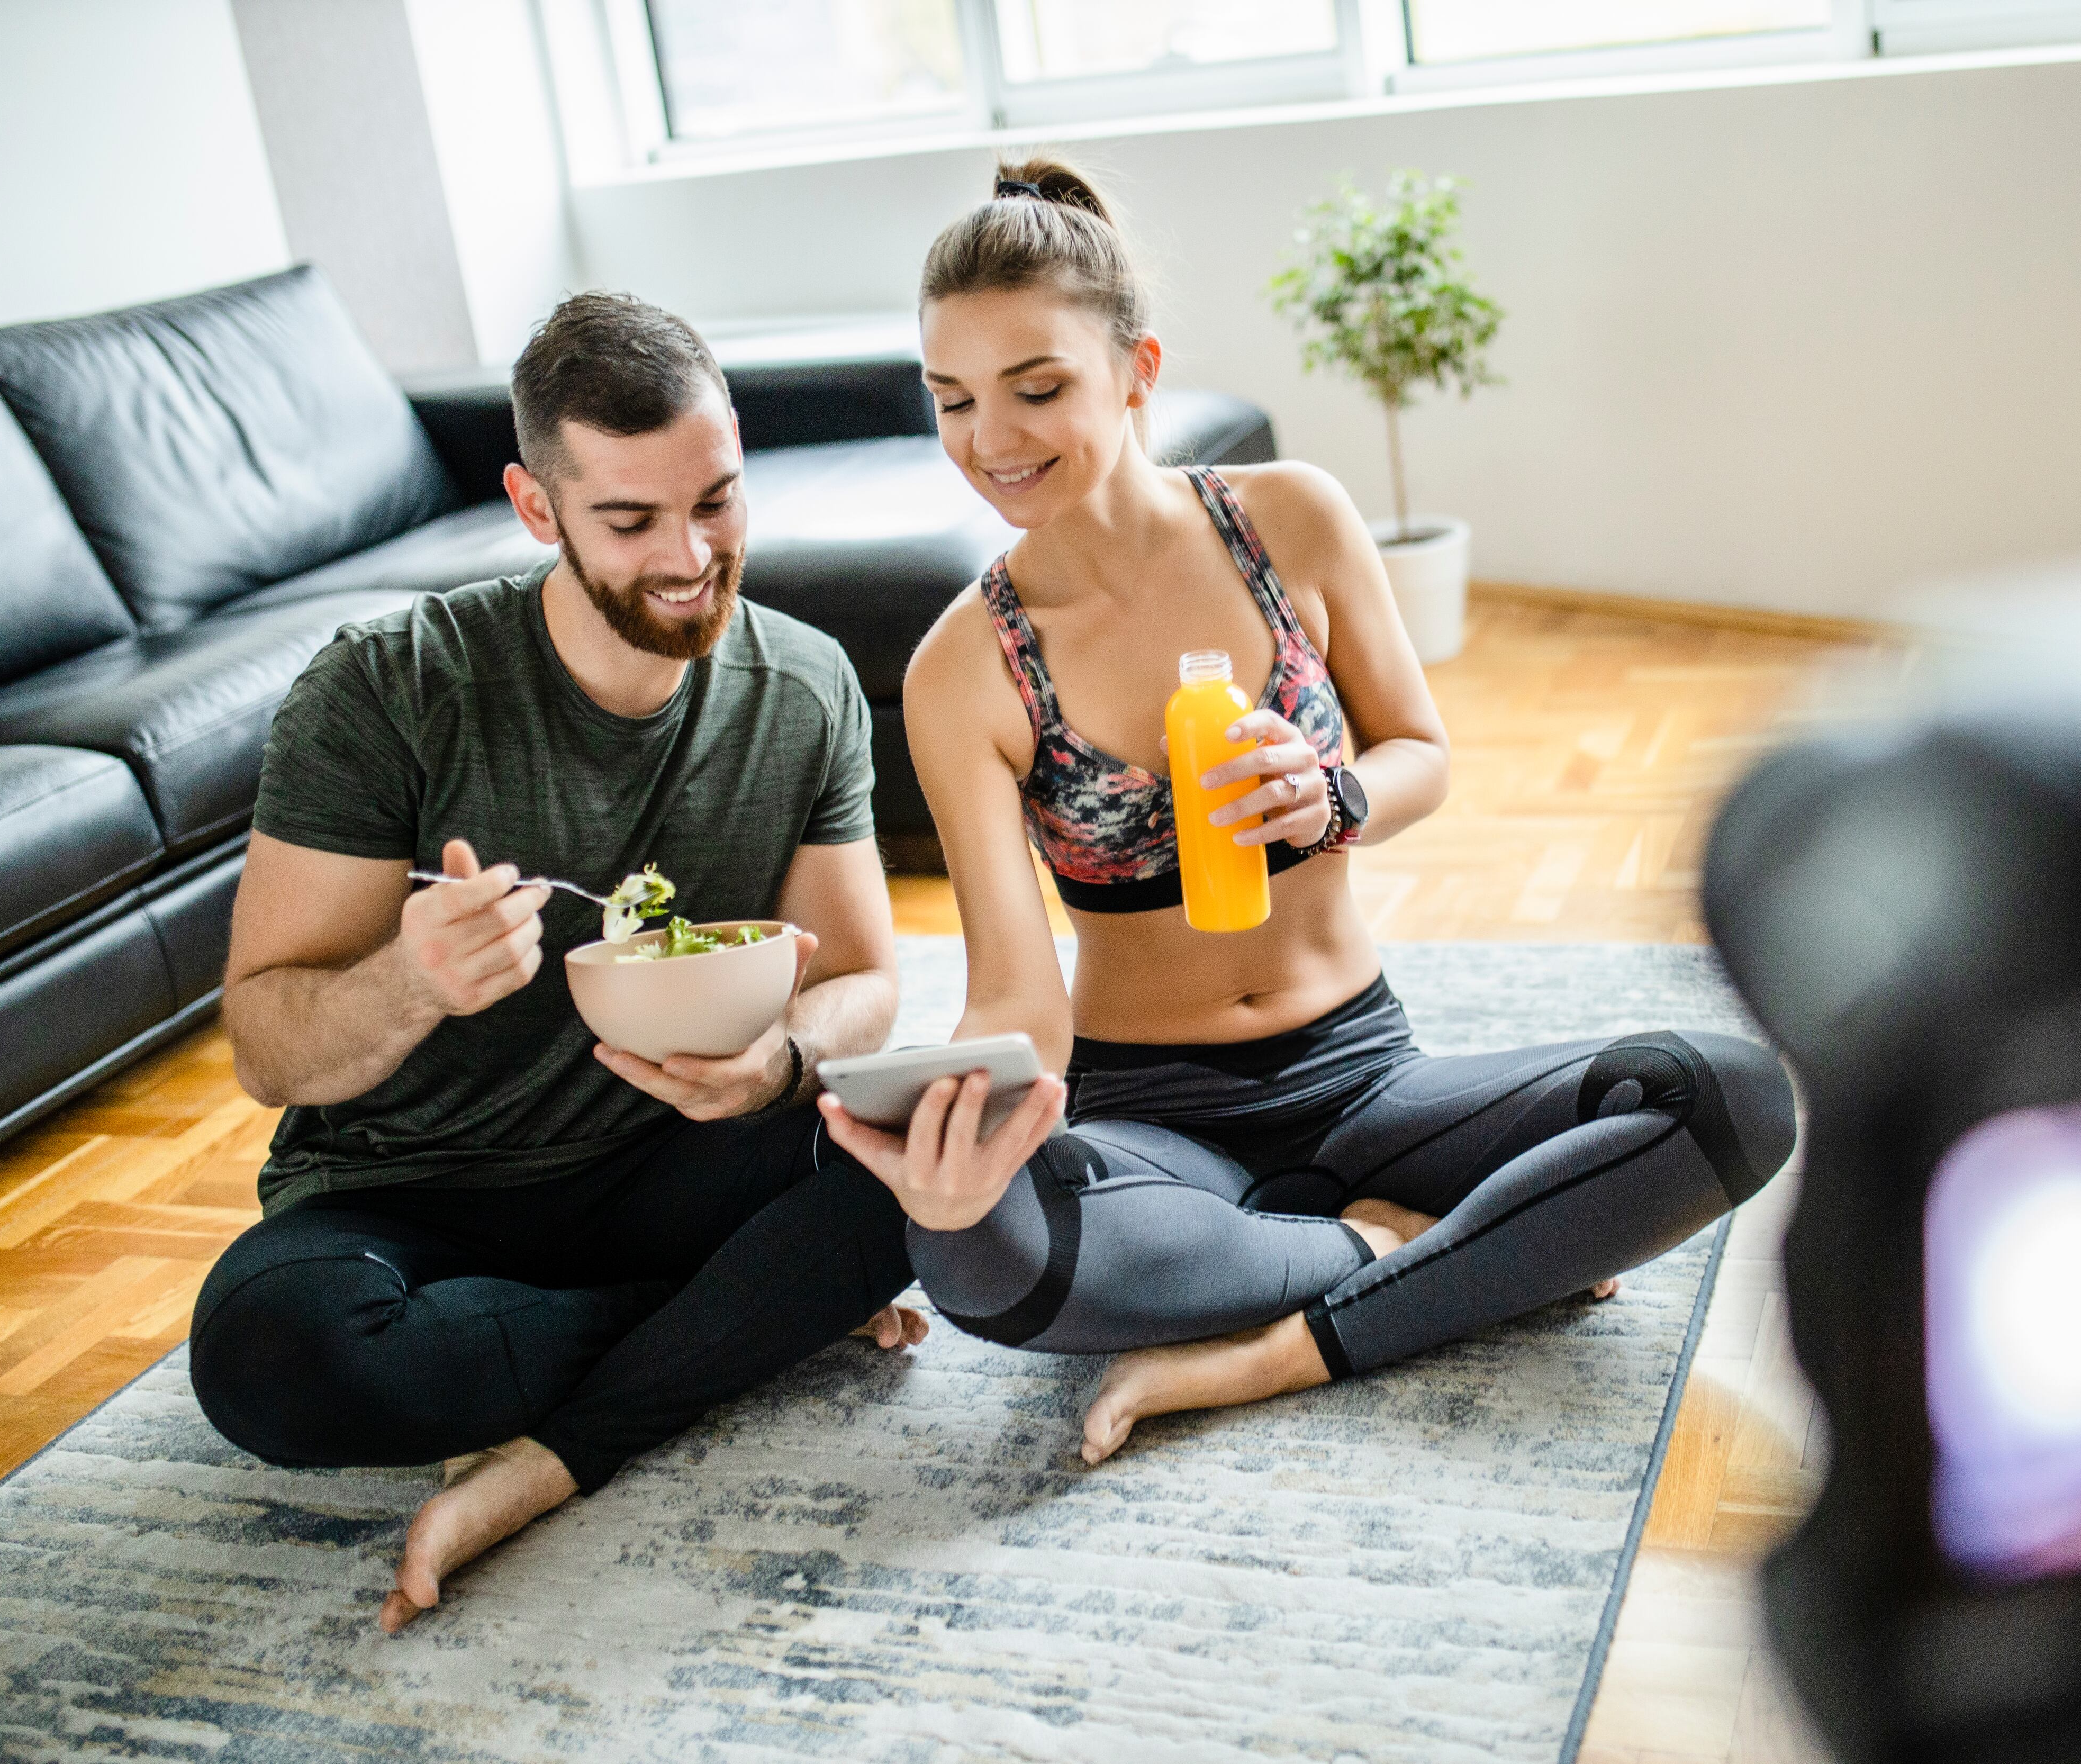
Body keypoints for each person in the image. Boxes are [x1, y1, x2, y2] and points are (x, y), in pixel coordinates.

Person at [816, 161, 1799, 1466]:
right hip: (1153, 1115)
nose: (990, 440)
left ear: (1135, 368)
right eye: (952, 400)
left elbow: (1420, 754)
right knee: (974, 1259)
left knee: (1731, 1093)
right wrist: (964, 1141)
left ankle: (1282, 1341)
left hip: (1367, 1073)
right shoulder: (962, 668)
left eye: (1035, 387)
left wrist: (1335, 797)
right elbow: (1014, 989)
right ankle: (1402, 1252)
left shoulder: (1289, 520)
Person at [190, 292, 921, 1634]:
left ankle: (546, 1439)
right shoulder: (387, 688)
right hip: (411, 1194)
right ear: (538, 507)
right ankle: (724, 1323)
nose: (692, 556)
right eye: (631, 522)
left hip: (663, 1163)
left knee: (930, 1163)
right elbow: (266, 1045)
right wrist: (409, 980)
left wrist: (783, 1061)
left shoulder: (805, 683)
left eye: (716, 500)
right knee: (270, 1359)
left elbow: (869, 980)